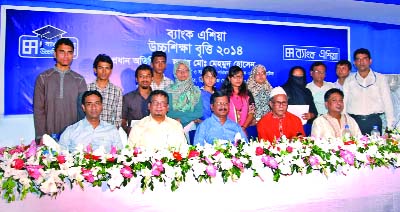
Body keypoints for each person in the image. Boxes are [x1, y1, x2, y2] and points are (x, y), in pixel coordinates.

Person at [33, 38, 87, 143]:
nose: (66, 56)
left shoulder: (79, 80)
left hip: (73, 136)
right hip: (49, 135)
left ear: (73, 55)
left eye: (69, 52)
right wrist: (40, 136)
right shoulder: (43, 78)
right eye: (62, 52)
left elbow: (82, 111)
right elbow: (38, 110)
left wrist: (82, 135)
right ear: (55, 54)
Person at [343, 48, 394, 134]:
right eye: (358, 59)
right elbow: (344, 102)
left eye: (364, 59)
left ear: (370, 61)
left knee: (374, 147)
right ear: (354, 63)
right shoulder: (349, 80)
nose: (361, 62)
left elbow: (387, 101)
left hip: (374, 122)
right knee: (352, 146)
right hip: (353, 121)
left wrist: (390, 125)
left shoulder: (380, 78)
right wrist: (344, 122)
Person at [165, 60, 203, 134]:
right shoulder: (168, 90)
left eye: (185, 70)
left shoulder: (195, 91)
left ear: (189, 72)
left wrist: (182, 119)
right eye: (179, 70)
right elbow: (166, 111)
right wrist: (174, 121)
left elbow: (199, 112)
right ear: (175, 72)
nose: (182, 73)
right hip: (170, 126)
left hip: (190, 127)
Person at [87, 54, 122, 127]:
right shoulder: (87, 88)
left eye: (107, 68)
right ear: (95, 70)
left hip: (109, 133)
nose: (104, 71)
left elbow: (118, 118)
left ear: (111, 70)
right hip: (88, 132)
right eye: (100, 68)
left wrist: (111, 132)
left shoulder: (117, 91)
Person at [282, 66, 318, 136]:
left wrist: (311, 115)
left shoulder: (307, 92)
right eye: (295, 76)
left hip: (305, 127)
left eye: (300, 76)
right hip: (287, 126)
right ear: (291, 77)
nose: (298, 79)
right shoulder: (282, 90)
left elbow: (314, 111)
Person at [221, 66, 255, 135]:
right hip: (226, 130)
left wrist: (243, 127)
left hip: (244, 130)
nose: (238, 79)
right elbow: (220, 113)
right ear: (229, 78)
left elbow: (251, 112)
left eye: (240, 76)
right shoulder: (223, 94)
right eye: (235, 77)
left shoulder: (247, 93)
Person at [121, 64, 152, 135]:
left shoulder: (156, 97)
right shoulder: (127, 98)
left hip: (153, 136)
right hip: (133, 136)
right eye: (141, 76)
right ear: (136, 79)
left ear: (152, 78)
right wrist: (127, 129)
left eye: (148, 76)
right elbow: (122, 120)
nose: (145, 79)